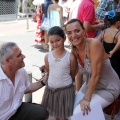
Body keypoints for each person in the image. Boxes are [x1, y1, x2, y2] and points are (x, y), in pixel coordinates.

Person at [65, 19, 120, 117]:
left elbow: (96, 75)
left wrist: (86, 98)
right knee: (70, 108)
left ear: (84, 31)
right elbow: (78, 74)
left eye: (77, 31)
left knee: (79, 113)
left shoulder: (94, 44)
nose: (73, 35)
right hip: (90, 85)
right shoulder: (74, 50)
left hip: (108, 87)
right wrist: (78, 92)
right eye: (69, 33)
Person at [0, 42, 49, 120]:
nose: (24, 56)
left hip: (15, 110)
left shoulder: (21, 71)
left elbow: (27, 88)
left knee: (41, 112)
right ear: (8, 61)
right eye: (19, 55)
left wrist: (43, 82)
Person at [41, 26, 77, 120]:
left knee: (64, 116)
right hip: (51, 91)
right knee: (54, 115)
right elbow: (49, 72)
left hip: (65, 91)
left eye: (57, 40)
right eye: (51, 42)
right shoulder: (47, 56)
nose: (55, 44)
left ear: (64, 38)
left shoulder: (71, 57)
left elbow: (72, 74)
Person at [97, 11, 120, 79]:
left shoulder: (104, 31)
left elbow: (97, 41)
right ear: (119, 22)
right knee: (116, 76)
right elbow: (119, 43)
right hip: (116, 59)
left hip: (106, 58)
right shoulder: (118, 33)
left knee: (108, 76)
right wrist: (113, 51)